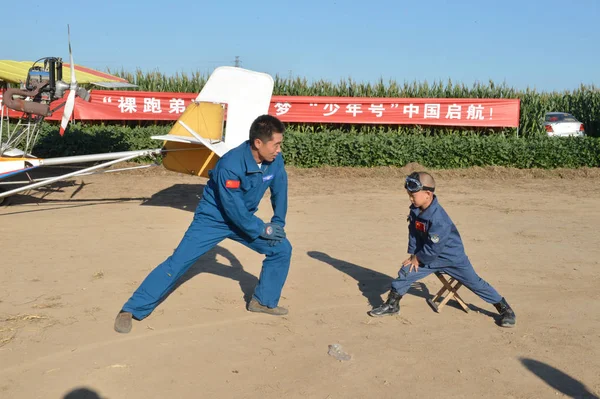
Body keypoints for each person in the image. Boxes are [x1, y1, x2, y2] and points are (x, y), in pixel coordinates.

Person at [114, 115, 293, 334]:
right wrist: (262, 229)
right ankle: (131, 309)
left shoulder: (275, 161)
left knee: (281, 248)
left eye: (280, 144)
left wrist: (278, 222)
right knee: (177, 263)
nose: (279, 149)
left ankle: (263, 301)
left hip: (244, 218)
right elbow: (232, 209)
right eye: (275, 144)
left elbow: (280, 190)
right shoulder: (230, 164)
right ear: (258, 143)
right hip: (213, 219)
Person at [368, 172, 516, 328]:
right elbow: (413, 233)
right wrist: (413, 255)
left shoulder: (439, 219)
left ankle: (504, 309)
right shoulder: (416, 210)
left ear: (427, 194)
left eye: (413, 196)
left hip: (452, 259)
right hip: (427, 257)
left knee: (476, 283)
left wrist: (419, 258)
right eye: (409, 195)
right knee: (405, 271)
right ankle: (392, 305)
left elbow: (434, 247)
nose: (410, 199)